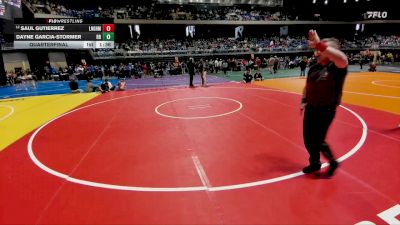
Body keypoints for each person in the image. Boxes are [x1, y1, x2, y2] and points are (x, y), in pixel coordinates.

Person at [300, 30, 349, 177]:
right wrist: (303, 101)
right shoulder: (314, 68)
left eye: (322, 49)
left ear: (330, 52)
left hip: (325, 110)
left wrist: (320, 44)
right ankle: (315, 162)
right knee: (308, 138)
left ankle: (333, 162)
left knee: (318, 139)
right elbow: (307, 86)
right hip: (311, 108)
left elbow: (342, 59)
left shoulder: (336, 69)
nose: (318, 51)